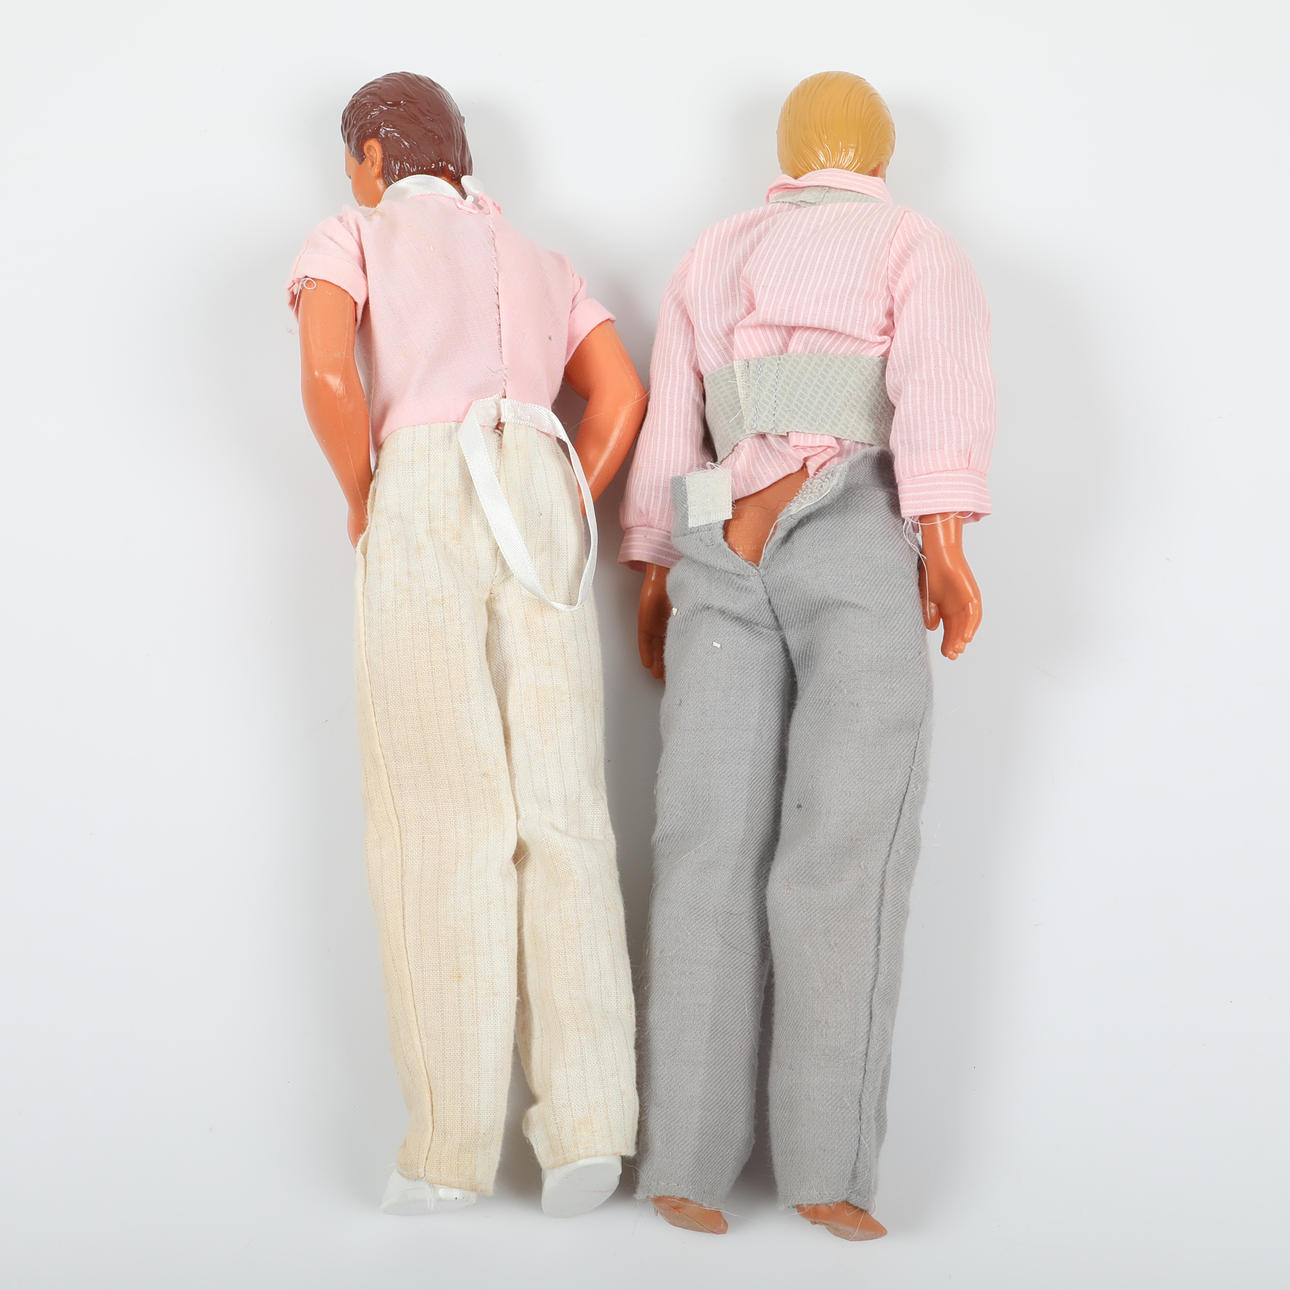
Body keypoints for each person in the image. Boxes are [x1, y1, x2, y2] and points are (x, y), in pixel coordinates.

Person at [621, 71, 996, 1240]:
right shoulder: (910, 241)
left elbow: (675, 419)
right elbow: (939, 391)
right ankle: (812, 1169)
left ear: (791, 153)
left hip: (731, 538)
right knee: (841, 849)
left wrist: (658, 561)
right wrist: (946, 544)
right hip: (844, 533)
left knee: (709, 844)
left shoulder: (720, 249)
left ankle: (694, 1163)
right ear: (879, 155)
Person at [287, 71, 643, 1218]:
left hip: (429, 481)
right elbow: (620, 396)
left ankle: (449, 1149)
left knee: (438, 810)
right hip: (537, 484)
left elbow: (329, 371)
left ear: (372, 158)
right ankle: (591, 1131)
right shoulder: (542, 260)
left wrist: (364, 494)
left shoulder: (353, 233)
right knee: (565, 811)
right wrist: (566, 497)